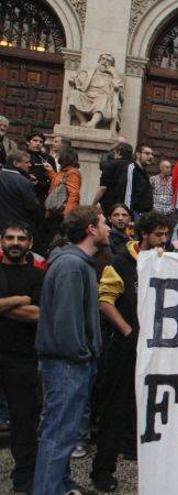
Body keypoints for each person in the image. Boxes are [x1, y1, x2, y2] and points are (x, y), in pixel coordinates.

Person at [33, 206, 109, 495]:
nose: (109, 228)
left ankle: (59, 485)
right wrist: (81, 354)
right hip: (67, 363)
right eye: (103, 223)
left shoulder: (79, 264)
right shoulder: (71, 266)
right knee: (58, 434)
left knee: (63, 433)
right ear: (91, 228)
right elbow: (66, 322)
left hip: (72, 363)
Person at [90, 212, 168, 491]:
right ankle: (103, 469)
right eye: (158, 234)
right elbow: (105, 301)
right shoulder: (120, 263)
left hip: (157, 349)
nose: (163, 240)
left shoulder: (166, 261)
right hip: (125, 350)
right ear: (143, 235)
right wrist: (128, 332)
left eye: (166, 234)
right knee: (116, 408)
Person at [0, 222, 43, 493]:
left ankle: (24, 478)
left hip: (22, 358)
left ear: (30, 243)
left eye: (21, 238)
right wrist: (20, 299)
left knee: (24, 422)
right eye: (10, 238)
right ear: (2, 241)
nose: (15, 242)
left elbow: (39, 314)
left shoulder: (38, 277)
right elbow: (28, 308)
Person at [94, 143, 154, 217]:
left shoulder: (144, 172)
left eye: (152, 154)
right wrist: (128, 215)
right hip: (133, 214)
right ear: (138, 154)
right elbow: (127, 194)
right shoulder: (131, 168)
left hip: (143, 214)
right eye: (147, 153)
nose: (151, 156)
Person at [0, 150, 43, 230]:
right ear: (16, 163)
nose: (30, 165)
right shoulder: (23, 182)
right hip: (18, 227)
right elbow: (33, 206)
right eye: (27, 162)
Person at [150, 159, 175, 225]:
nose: (169, 169)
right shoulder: (153, 179)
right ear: (161, 168)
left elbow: (175, 194)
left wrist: (172, 208)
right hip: (155, 211)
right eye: (167, 167)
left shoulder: (173, 180)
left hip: (169, 211)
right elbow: (148, 194)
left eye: (170, 167)